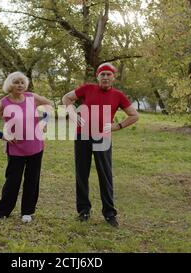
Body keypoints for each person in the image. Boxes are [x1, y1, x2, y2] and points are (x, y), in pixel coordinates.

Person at [62, 63, 139, 227]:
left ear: (113, 77)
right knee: (82, 173)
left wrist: (117, 126)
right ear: (97, 77)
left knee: (105, 175)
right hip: (82, 136)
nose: (105, 77)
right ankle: (83, 211)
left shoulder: (118, 95)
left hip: (102, 138)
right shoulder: (87, 88)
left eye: (108, 74)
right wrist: (72, 113)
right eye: (102, 74)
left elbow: (134, 115)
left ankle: (109, 213)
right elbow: (66, 98)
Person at [0, 71, 52, 223]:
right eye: (16, 82)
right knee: (12, 180)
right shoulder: (4, 102)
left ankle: (27, 211)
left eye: (22, 82)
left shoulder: (32, 97)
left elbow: (49, 105)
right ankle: (2, 211)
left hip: (36, 145)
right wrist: (2, 135)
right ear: (9, 85)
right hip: (16, 148)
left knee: (32, 179)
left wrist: (44, 122)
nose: (20, 85)